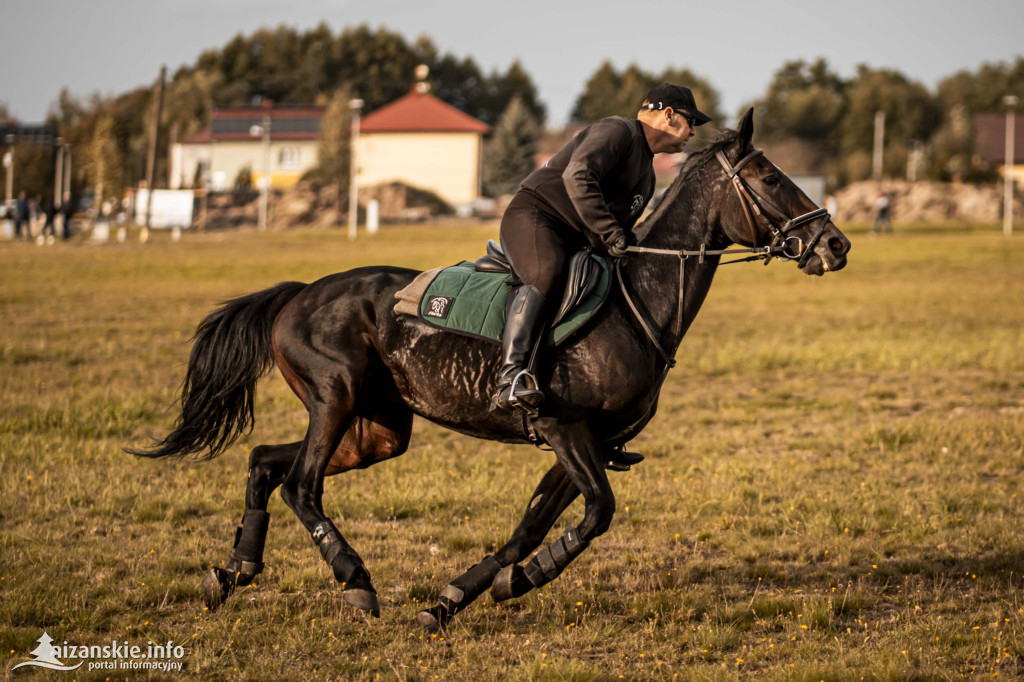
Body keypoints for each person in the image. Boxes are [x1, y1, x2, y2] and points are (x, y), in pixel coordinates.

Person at [490, 84, 711, 414]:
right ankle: (510, 379)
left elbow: (622, 233)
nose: (693, 131)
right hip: (535, 216)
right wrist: (611, 233)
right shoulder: (617, 131)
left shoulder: (647, 178)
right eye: (690, 120)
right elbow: (578, 176)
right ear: (668, 115)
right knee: (546, 272)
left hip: (577, 237)